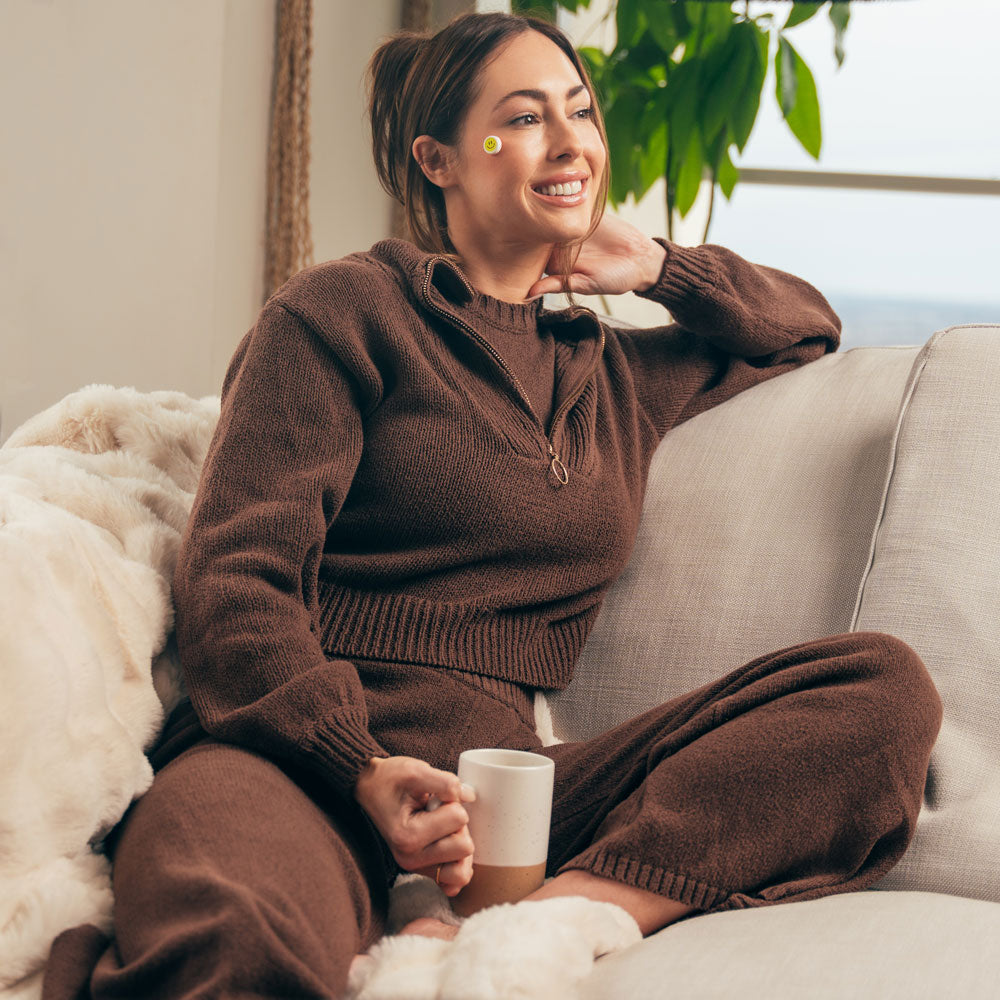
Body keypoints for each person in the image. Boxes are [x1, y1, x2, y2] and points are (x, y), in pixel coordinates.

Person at [41, 10, 942, 1000]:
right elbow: (236, 584)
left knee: (882, 693)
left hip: (503, 800)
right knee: (230, 941)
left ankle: (551, 918)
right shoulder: (343, 312)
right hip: (298, 764)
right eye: (522, 118)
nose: (568, 142)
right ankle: (407, 905)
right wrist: (360, 765)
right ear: (438, 161)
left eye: (580, 112)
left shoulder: (617, 375)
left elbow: (805, 326)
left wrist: (656, 267)